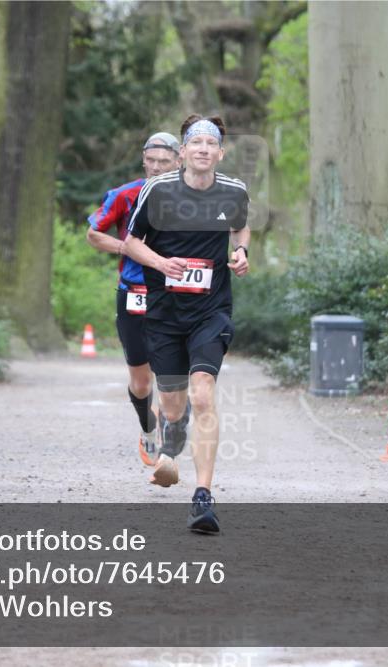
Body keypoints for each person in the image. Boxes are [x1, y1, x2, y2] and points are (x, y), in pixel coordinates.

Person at [121, 115, 250, 534]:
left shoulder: (233, 191)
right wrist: (161, 263)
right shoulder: (157, 191)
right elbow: (131, 242)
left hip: (211, 312)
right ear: (183, 152)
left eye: (211, 144)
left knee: (204, 394)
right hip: (164, 315)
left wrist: (241, 250)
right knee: (174, 408)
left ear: (220, 153)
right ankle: (171, 440)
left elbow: (240, 224)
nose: (203, 149)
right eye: (196, 142)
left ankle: (203, 497)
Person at [86, 132, 181, 466]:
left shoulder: (196, 199)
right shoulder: (125, 195)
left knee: (173, 373)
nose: (156, 168)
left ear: (178, 161)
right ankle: (147, 426)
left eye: (164, 162)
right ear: (143, 160)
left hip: (176, 295)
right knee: (141, 383)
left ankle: (173, 435)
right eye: (150, 161)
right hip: (134, 294)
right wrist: (125, 247)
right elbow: (94, 234)